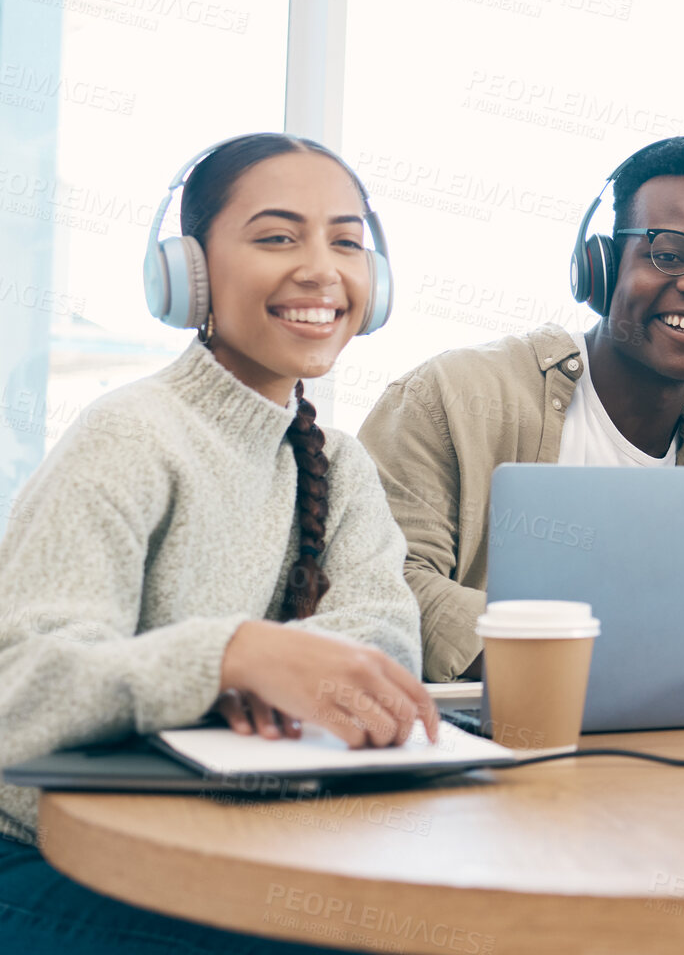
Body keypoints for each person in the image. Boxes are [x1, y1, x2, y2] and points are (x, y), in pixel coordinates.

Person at [0, 133, 434, 953]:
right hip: (50, 858)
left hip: (229, 846)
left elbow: (384, 639)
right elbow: (19, 693)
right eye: (276, 237)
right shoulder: (130, 434)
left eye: (346, 241)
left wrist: (278, 667)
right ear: (187, 275)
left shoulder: (338, 463)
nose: (319, 268)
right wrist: (229, 658)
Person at [360, 136, 684, 682]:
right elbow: (379, 582)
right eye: (669, 255)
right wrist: (592, 655)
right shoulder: (452, 394)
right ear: (601, 266)